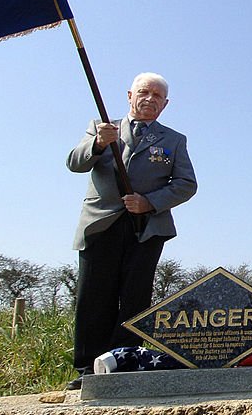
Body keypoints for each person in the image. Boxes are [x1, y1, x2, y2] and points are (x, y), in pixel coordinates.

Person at [66, 72, 197, 389]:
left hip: (146, 228)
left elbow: (186, 184)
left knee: (134, 299)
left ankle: (123, 364)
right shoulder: (102, 127)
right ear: (129, 95)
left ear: (165, 104)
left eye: (157, 96)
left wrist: (149, 202)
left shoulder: (173, 140)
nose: (150, 99)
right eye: (144, 92)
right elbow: (74, 162)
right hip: (101, 224)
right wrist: (98, 143)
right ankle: (88, 371)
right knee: (94, 295)